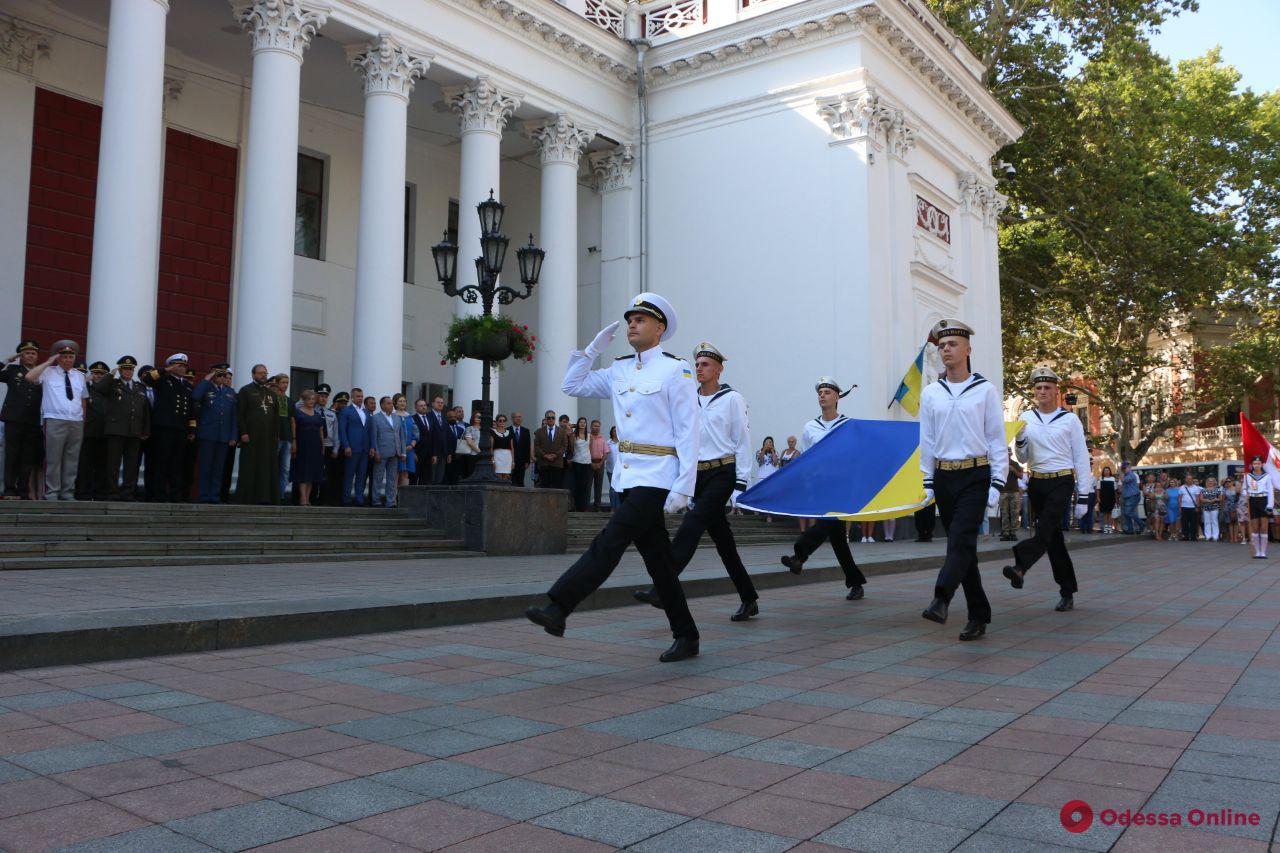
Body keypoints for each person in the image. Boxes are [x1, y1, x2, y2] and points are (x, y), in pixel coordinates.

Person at [525, 292, 701, 663]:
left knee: (611, 539)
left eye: (640, 319)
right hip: (627, 476)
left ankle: (559, 606)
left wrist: (684, 486)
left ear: (660, 327)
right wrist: (590, 351)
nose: (632, 325)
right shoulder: (619, 369)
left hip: (657, 476)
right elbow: (572, 387)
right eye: (630, 320)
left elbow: (688, 431)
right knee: (660, 563)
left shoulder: (676, 370)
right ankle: (687, 636)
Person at [633, 341, 759, 621]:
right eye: (698, 364)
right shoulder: (689, 398)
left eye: (705, 365)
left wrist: (740, 484)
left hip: (722, 473)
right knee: (725, 545)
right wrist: (682, 481)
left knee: (691, 526)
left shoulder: (732, 399)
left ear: (719, 369)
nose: (699, 369)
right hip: (697, 474)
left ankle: (662, 587)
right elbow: (682, 440)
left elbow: (742, 441)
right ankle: (749, 597)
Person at [919, 319, 1006, 642]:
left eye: (952, 344)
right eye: (942, 345)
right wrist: (927, 480)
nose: (946, 350)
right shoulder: (931, 393)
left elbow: (996, 439)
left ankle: (941, 598)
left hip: (975, 474)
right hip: (943, 476)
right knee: (964, 548)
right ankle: (979, 615)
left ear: (968, 349)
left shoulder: (984, 390)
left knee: (958, 539)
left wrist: (997, 484)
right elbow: (926, 439)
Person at [1001, 365, 1091, 613]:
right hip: (1038, 481)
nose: (1042, 391)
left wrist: (1084, 495)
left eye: (1047, 387)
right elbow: (1022, 456)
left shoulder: (1070, 419)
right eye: (1038, 387)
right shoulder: (1026, 419)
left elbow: (1081, 458)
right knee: (1053, 541)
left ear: (1055, 391)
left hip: (1062, 480)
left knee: (1044, 528)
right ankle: (1067, 590)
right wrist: (1019, 441)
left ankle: (1021, 566)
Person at [778, 377, 867, 601]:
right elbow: (807, 458)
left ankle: (800, 553)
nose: (822, 395)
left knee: (827, 523)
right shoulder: (810, 427)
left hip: (841, 484)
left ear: (837, 397)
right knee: (836, 537)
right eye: (820, 392)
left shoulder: (848, 425)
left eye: (827, 392)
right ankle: (855, 582)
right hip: (821, 484)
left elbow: (855, 456)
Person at [24, 341, 88, 501]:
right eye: (64, 356)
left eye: (71, 356)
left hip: (76, 421)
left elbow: (83, 400)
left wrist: (82, 420)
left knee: (72, 459)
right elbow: (29, 377)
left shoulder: (80, 376)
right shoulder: (48, 372)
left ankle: (67, 491)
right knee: (53, 458)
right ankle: (52, 492)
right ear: (58, 358)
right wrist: (48, 362)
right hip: (54, 419)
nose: (68, 359)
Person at [138, 354, 195, 502]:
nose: (182, 368)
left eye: (184, 366)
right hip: (164, 428)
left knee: (177, 463)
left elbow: (191, 409)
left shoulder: (188, 386)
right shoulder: (163, 380)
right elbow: (147, 379)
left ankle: (175, 494)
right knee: (161, 462)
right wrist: (166, 370)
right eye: (179, 365)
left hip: (180, 429)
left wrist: (191, 429)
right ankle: (159, 494)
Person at [98, 356, 150, 501]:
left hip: (134, 431)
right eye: (125, 369)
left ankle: (127, 492)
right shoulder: (113, 384)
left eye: (130, 369)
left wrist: (145, 429)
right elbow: (99, 388)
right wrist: (110, 375)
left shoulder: (140, 387)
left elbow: (145, 410)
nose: (128, 371)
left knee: (131, 465)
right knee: (113, 464)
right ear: (120, 370)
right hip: (116, 430)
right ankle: (112, 492)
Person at [1, 341, 43, 499]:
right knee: (12, 455)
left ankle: (24, 490)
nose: (30, 356)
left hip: (33, 421)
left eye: (33, 353)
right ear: (21, 356)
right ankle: (10, 489)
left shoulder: (42, 373)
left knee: (27, 457)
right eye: (27, 353)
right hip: (14, 419)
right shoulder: (13, 370)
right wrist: (7, 360)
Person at [235, 364, 281, 505]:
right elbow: (240, 414)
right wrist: (243, 432)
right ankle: (247, 497)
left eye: (265, 373)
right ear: (253, 374)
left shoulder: (272, 394)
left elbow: (276, 417)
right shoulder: (245, 391)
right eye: (260, 373)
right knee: (250, 466)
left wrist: (276, 435)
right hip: (251, 436)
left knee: (266, 467)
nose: (263, 376)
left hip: (268, 438)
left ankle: (265, 497)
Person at [193, 364, 237, 504]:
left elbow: (234, 417)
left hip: (223, 436)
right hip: (208, 434)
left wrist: (233, 436)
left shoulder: (230, 392)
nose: (222, 378)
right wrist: (207, 378)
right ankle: (204, 496)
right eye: (219, 375)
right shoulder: (206, 389)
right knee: (206, 467)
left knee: (218, 469)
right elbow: (195, 396)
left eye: (224, 375)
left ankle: (214, 496)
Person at [75, 361, 110, 500]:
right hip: (88, 433)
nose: (98, 376)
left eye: (102, 374)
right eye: (96, 373)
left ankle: (100, 493)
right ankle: (83, 492)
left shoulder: (109, 391)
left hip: (106, 433)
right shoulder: (85, 389)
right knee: (85, 465)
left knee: (103, 465)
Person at [288, 389, 325, 506]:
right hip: (302, 444)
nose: (311, 401)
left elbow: (321, 432)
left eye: (313, 399)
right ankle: (302, 497)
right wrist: (294, 442)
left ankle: (308, 498)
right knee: (303, 472)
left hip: (315, 446)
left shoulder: (318, 415)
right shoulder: (297, 413)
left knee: (312, 473)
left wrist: (322, 446)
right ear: (303, 400)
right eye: (309, 399)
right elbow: (293, 428)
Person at [337, 387, 372, 505]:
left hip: (364, 448)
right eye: (358, 396)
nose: (360, 398)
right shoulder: (346, 411)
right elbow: (342, 430)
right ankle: (346, 499)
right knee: (349, 475)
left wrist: (371, 446)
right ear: (352, 397)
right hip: (352, 447)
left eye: (361, 396)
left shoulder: (366, 411)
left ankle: (359, 499)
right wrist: (346, 445)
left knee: (362, 476)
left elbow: (369, 431)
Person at [369, 396, 405, 507]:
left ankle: (391, 501)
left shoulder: (397, 418)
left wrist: (403, 452)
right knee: (378, 478)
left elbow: (401, 436)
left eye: (391, 403)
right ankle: (376, 500)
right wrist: (376, 452)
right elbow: (373, 437)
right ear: (382, 405)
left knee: (391, 479)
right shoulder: (375, 418)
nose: (391, 405)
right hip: (382, 453)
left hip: (395, 452)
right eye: (389, 403)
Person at [1243, 456, 1273, 558]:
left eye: (1258, 463)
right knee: (1255, 527)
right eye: (1255, 464)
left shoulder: (1267, 476)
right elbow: (1244, 489)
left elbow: (1270, 492)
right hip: (1253, 500)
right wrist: (1245, 494)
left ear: (1262, 465)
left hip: (1263, 500)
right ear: (1252, 465)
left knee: (1264, 527)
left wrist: (1270, 505)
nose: (1257, 465)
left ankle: (1263, 552)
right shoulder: (1248, 476)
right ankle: (1257, 552)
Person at [313, 384, 337, 503]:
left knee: (327, 474)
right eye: (321, 396)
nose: (323, 399)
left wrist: (335, 449)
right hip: (314, 446)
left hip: (328, 446)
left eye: (325, 396)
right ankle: (312, 496)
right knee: (313, 472)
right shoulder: (310, 410)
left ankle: (323, 498)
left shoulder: (331, 413)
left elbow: (336, 433)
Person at [323, 391, 348, 505]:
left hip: (343, 450)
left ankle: (338, 499)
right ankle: (327, 498)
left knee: (340, 476)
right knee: (328, 474)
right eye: (341, 403)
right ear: (335, 402)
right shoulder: (329, 413)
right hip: (330, 447)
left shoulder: (345, 414)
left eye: (345, 403)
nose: (343, 405)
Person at [270, 374, 292, 503]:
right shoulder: (272, 398)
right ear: (277, 383)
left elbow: (292, 420)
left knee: (285, 468)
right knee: (273, 466)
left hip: (287, 437)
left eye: (287, 382)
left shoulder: (289, 400)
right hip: (275, 437)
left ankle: (281, 494)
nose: (285, 385)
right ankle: (271, 493)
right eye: (283, 382)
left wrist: (293, 439)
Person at [533, 409, 567, 489]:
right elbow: (536, 446)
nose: (551, 419)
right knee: (544, 487)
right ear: (545, 419)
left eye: (552, 418)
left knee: (557, 487)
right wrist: (545, 455)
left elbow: (564, 446)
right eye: (548, 418)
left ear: (555, 419)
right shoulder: (539, 431)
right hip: (544, 463)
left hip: (557, 463)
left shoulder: (562, 431)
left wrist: (555, 455)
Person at [393, 394, 418, 488]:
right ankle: (393, 497)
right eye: (400, 401)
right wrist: (401, 448)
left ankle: (402, 497)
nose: (403, 403)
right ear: (395, 403)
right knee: (397, 472)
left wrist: (412, 445)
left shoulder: (409, 416)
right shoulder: (392, 416)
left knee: (406, 472)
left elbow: (416, 433)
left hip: (409, 449)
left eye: (404, 401)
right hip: (397, 450)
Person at [998, 449, 1023, 541]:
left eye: (1008, 454)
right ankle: (1005, 533)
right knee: (1004, 513)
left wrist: (1013, 470)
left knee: (1014, 513)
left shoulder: (1015, 464)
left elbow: (1021, 476)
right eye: (1005, 454)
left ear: (1010, 455)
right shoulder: (1000, 464)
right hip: (1003, 491)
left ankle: (1013, 533)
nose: (1007, 456)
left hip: (1014, 492)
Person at [569, 417, 592, 511]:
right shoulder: (574, 435)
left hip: (587, 462)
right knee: (577, 485)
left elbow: (589, 449)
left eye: (584, 422)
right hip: (577, 461)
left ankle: (583, 506)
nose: (582, 424)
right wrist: (572, 427)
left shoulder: (589, 435)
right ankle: (576, 505)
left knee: (585, 485)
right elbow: (571, 448)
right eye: (581, 422)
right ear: (578, 424)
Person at [755, 437, 779, 523]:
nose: (769, 444)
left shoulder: (776, 453)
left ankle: (769, 515)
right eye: (767, 442)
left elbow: (776, 463)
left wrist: (772, 452)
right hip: (762, 475)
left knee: (770, 495)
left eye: (771, 442)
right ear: (764, 444)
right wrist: (764, 450)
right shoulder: (759, 452)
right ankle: (757, 510)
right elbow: (760, 461)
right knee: (761, 493)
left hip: (772, 476)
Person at [589, 420, 609, 510]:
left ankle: (597, 506)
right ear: (591, 427)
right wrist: (591, 463)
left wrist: (600, 463)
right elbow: (585, 451)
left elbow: (606, 452)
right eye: (595, 426)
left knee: (599, 486)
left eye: (598, 426)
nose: (596, 428)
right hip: (589, 463)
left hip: (600, 463)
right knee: (587, 485)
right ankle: (586, 505)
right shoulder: (588, 437)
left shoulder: (602, 439)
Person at [456, 411, 481, 480]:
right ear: (473, 418)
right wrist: (479, 451)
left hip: (483, 455)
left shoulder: (485, 429)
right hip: (472, 454)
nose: (478, 418)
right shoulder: (469, 428)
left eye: (480, 417)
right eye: (476, 416)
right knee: (471, 473)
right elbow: (469, 442)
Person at [1178, 473, 1203, 542]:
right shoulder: (1182, 487)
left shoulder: (1196, 488)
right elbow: (1179, 498)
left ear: (1192, 480)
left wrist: (1197, 507)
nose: (1189, 480)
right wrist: (1179, 507)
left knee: (1193, 522)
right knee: (1184, 523)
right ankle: (1185, 536)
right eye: (1187, 478)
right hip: (1184, 507)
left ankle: (1193, 536)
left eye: (1190, 479)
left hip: (1193, 507)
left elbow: (1197, 498)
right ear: (1185, 479)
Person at [510, 411, 531, 487]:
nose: (518, 419)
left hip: (522, 461)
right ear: (512, 419)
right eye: (516, 417)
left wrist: (527, 461)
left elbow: (527, 447)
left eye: (520, 417)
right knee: (511, 481)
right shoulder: (507, 430)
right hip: (511, 461)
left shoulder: (526, 431)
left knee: (520, 481)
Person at [1120, 461, 1142, 534]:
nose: (1124, 469)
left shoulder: (1132, 475)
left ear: (1129, 468)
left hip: (1133, 496)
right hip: (1127, 497)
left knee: (1128, 512)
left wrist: (1121, 472)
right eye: (1123, 468)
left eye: (1125, 468)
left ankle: (1142, 524)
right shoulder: (1126, 475)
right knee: (1127, 514)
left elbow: (1123, 480)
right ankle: (1130, 530)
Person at [491, 414, 513, 480]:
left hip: (507, 457)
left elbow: (512, 448)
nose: (502, 422)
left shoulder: (510, 432)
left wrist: (513, 461)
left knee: (506, 477)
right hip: (497, 456)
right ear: (497, 422)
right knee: (498, 476)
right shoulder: (492, 432)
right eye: (500, 421)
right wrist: (492, 461)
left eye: (504, 420)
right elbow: (491, 447)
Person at [1200, 476, 1223, 542]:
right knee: (1207, 522)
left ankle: (1215, 536)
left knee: (1214, 521)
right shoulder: (1203, 490)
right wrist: (1206, 500)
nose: (1210, 482)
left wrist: (1216, 499)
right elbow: (1201, 499)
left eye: (1211, 481)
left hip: (1215, 507)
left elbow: (1221, 498)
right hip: (1206, 507)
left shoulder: (1218, 489)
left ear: (1214, 482)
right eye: (1209, 481)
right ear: (1207, 482)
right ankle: (1208, 536)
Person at [1096, 466, 1117, 533]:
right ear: (1103, 471)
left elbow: (1115, 490)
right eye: (1105, 470)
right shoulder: (1100, 479)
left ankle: (1110, 528)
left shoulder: (1113, 479)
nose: (1106, 471)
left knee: (1110, 513)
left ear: (1110, 471)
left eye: (1108, 470)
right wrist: (1098, 497)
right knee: (1105, 513)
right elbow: (1098, 490)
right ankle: (1106, 528)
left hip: (1111, 498)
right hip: (1103, 498)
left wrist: (1116, 499)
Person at [606, 425, 621, 510]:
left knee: (619, 488)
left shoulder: (622, 443)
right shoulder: (608, 443)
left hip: (620, 469)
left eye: (616, 430)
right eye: (614, 430)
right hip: (611, 468)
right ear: (611, 432)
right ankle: (613, 507)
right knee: (612, 489)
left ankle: (619, 508)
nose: (615, 432)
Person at [1223, 477, 1241, 544]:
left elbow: (1239, 498)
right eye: (1227, 481)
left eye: (1229, 481)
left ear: (1233, 482)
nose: (1228, 482)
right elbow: (1223, 499)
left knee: (1235, 522)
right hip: (1227, 507)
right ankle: (1231, 537)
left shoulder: (1236, 489)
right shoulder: (1225, 489)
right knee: (1230, 523)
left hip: (1235, 506)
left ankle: (1236, 537)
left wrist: (1237, 507)